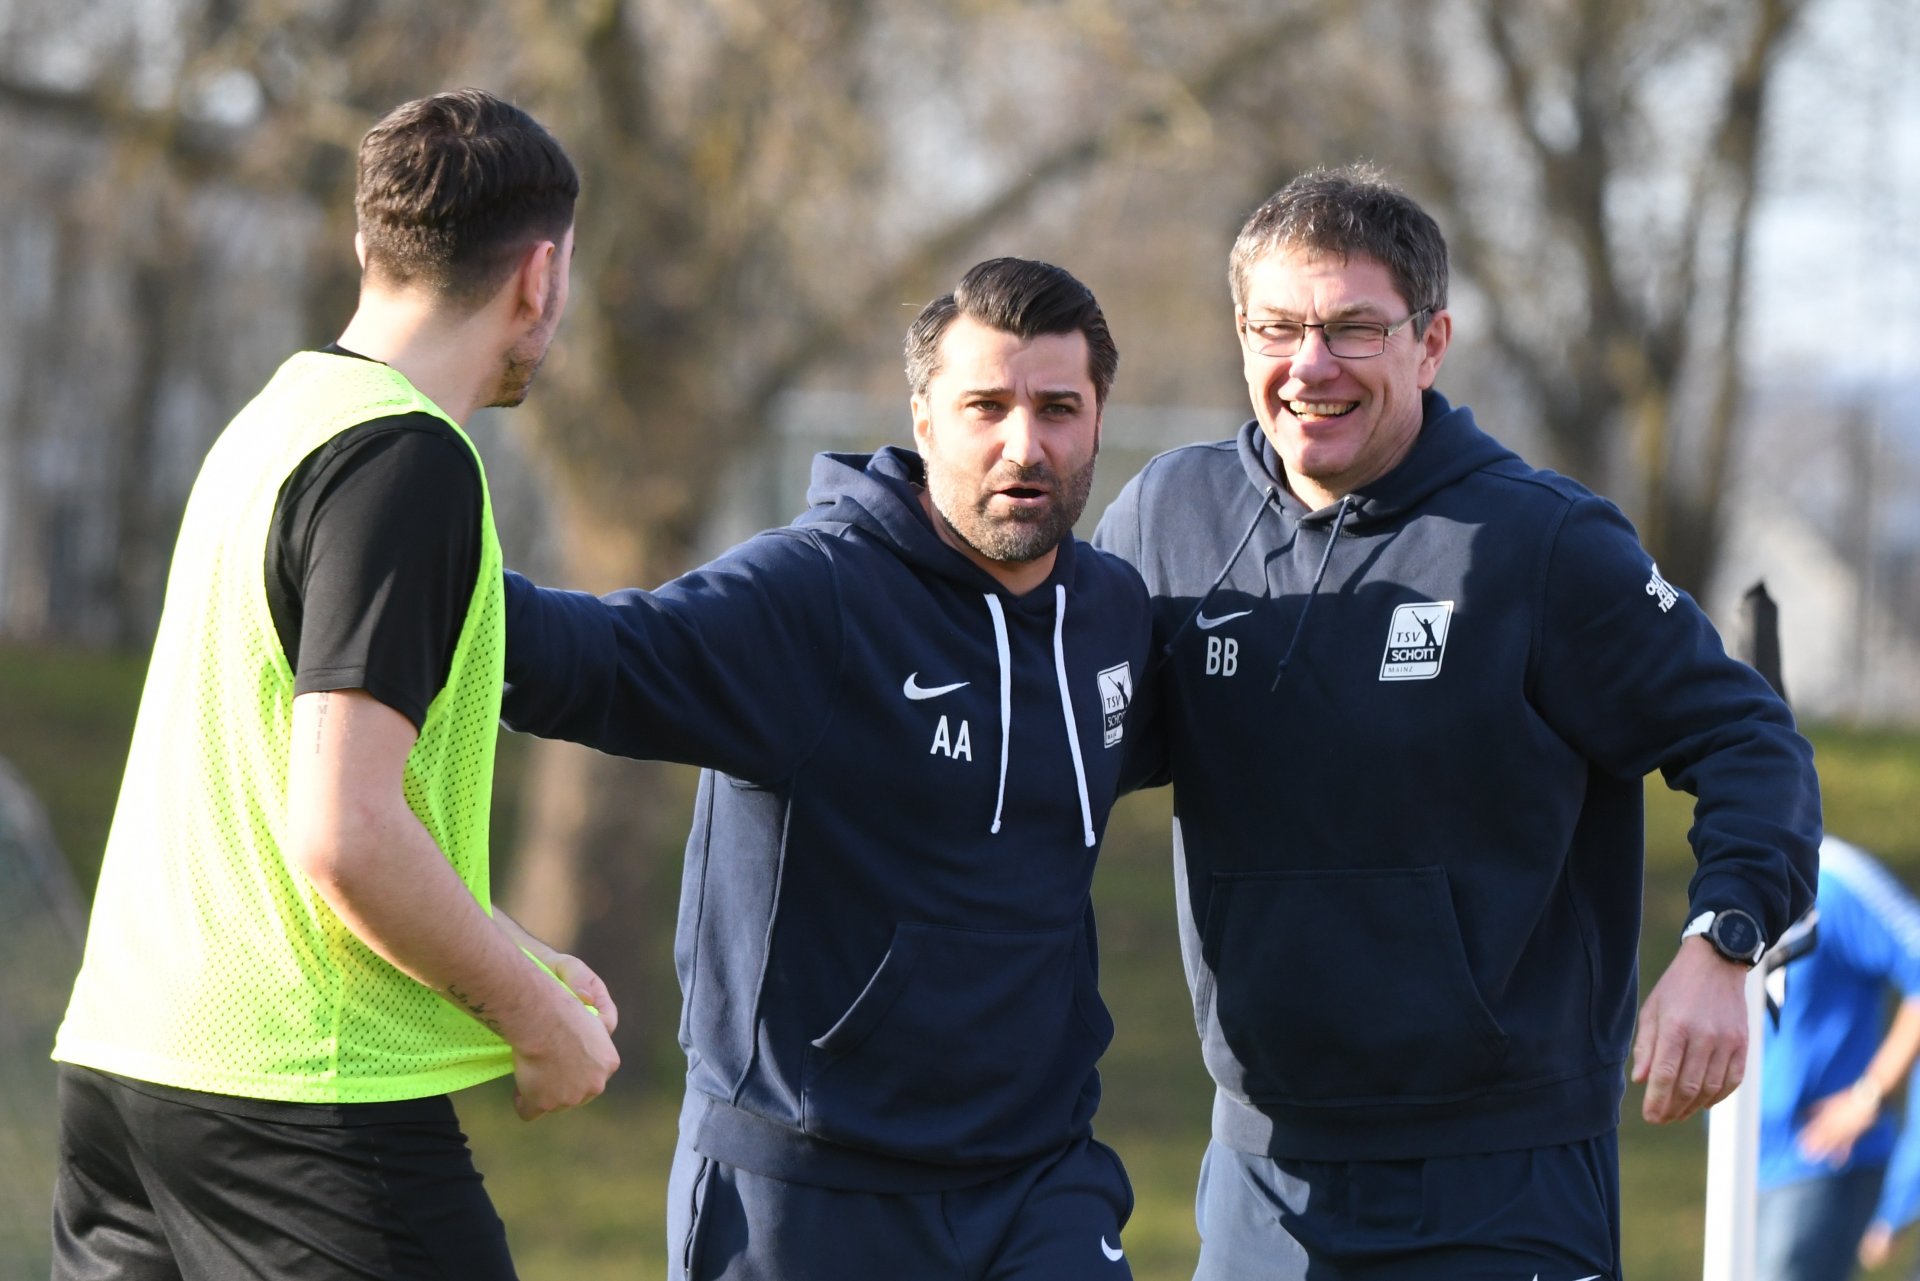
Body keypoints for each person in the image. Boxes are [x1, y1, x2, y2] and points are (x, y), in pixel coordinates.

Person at [1093, 163, 1822, 1280]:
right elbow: (1051, 748)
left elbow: (1749, 741)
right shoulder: (1167, 518)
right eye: (1278, 327)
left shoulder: (1545, 545)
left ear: (1432, 344)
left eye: (1352, 329)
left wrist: (1723, 943)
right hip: (1261, 1169)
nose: (1309, 366)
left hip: (1502, 1173)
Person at [50, 89, 619, 1281]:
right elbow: (345, 834)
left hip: (128, 1067)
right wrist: (533, 1025)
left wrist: (518, 960)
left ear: (370, 251)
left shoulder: (276, 422)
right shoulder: (409, 460)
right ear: (542, 279)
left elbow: (281, 799)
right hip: (295, 1093)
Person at [499, 257, 1150, 1280]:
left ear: (1099, 418)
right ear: (925, 419)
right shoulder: (816, 599)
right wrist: (402, 560)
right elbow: (596, 659)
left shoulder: (1112, 617)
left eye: (1058, 408)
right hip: (805, 1187)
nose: (1024, 445)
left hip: (1039, 1181)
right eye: (986, 406)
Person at [1758, 836, 1920, 1281]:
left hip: (1817, 1160)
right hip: (1745, 1165)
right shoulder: (1735, 867)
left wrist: (1869, 1096)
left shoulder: (1833, 877)